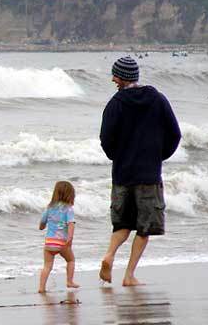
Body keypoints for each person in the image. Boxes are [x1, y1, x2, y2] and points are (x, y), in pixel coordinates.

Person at [99, 56, 181, 286]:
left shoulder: (116, 103)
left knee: (122, 224)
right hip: (148, 175)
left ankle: (109, 255)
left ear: (124, 77)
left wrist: (117, 157)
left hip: (122, 175)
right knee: (144, 229)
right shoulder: (158, 99)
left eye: (116, 75)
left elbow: (105, 138)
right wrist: (158, 156)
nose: (113, 80)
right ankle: (129, 275)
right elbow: (175, 134)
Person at [38, 180, 79, 293]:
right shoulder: (68, 209)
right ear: (70, 195)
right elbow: (71, 224)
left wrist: (41, 227)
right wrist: (70, 238)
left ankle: (41, 288)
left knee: (47, 266)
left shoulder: (50, 207)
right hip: (62, 243)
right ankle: (69, 281)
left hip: (49, 243)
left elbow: (42, 221)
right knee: (70, 260)